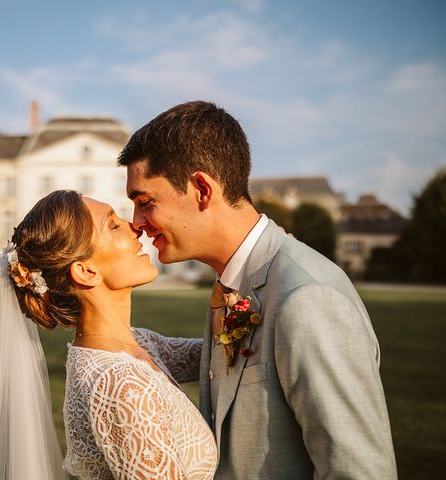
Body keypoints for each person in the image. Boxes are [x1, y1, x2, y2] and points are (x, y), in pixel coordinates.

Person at [118, 100, 397, 479]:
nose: (136, 223)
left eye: (145, 202)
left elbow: (358, 470)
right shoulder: (236, 283)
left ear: (201, 189)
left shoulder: (308, 298)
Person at [0, 190, 217, 480]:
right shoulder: (121, 386)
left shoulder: (138, 344)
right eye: (113, 225)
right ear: (86, 271)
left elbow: (213, 354)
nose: (134, 226)